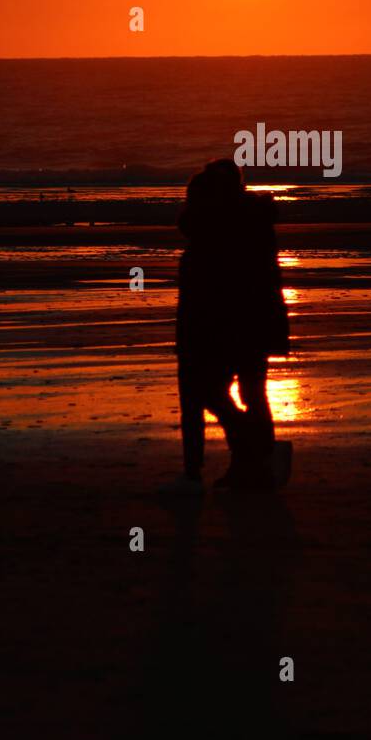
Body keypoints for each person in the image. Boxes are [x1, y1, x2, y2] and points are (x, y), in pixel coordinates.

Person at [161, 159, 292, 493]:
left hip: (224, 325)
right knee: (247, 391)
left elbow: (213, 288)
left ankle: (250, 455)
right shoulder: (246, 223)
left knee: (212, 393)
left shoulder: (219, 230)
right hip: (249, 322)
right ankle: (253, 461)